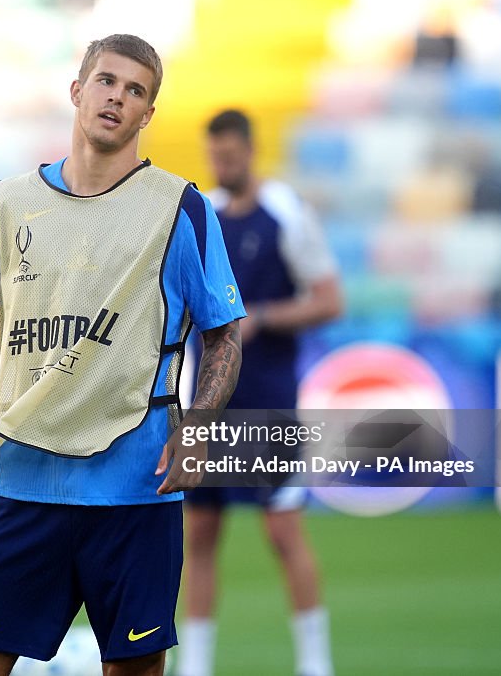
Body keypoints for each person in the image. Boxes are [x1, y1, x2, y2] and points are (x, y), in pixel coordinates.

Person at [0, 35, 246, 676]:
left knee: (132, 673)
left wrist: (199, 429)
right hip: (29, 482)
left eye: (135, 91)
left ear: (148, 114)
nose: (117, 98)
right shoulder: (10, 205)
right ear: (77, 90)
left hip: (136, 489)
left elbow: (224, 335)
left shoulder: (181, 209)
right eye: (106, 81)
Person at [177, 109, 343, 676]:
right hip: (208, 401)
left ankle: (315, 663)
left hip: (268, 398)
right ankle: (195, 665)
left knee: (282, 530)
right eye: (214, 155)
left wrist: (264, 316)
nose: (222, 164)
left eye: (229, 154)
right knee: (198, 531)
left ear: (250, 149)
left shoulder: (286, 214)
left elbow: (329, 299)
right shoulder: (202, 217)